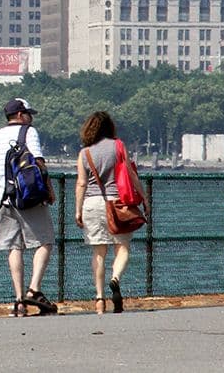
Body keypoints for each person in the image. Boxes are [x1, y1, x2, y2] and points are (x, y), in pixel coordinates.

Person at [0, 97, 56, 317]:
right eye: (28, 114)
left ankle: (19, 301)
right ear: (19, 115)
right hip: (27, 197)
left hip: (2, 198)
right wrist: (49, 190)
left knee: (14, 247)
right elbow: (39, 164)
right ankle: (34, 289)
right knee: (45, 241)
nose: (31, 118)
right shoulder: (28, 132)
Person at [74, 110, 149, 314]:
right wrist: (144, 197)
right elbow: (131, 174)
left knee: (99, 252)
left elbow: (81, 183)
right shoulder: (118, 146)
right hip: (118, 203)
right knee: (122, 247)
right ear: (110, 128)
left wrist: (78, 210)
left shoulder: (85, 153)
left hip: (92, 203)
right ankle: (115, 279)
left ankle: (99, 299)